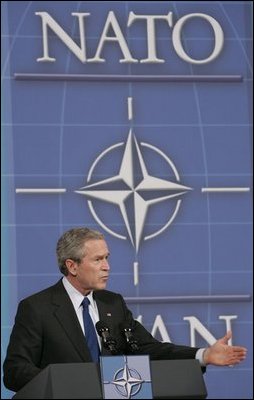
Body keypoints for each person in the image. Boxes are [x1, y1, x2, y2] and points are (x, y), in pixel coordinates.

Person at [3, 227, 247, 392]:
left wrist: (204, 355)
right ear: (72, 266)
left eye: (107, 258)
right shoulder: (37, 308)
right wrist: (64, 385)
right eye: (98, 260)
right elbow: (15, 372)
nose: (107, 267)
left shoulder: (113, 303)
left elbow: (148, 348)